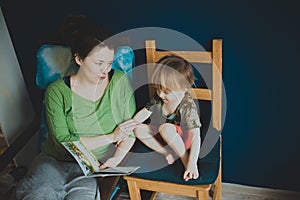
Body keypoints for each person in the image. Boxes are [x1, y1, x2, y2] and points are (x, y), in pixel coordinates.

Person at [16, 15, 138, 200]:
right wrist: (112, 137)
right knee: (38, 194)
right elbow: (65, 142)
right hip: (53, 161)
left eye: (109, 63)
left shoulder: (119, 81)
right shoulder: (56, 91)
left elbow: (130, 129)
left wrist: (116, 159)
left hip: (91, 167)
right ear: (79, 59)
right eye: (98, 63)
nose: (105, 70)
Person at [133, 55, 201, 181]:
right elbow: (145, 112)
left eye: (166, 91)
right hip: (163, 137)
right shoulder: (159, 97)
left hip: (182, 140)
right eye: (158, 89)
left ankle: (184, 160)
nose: (160, 94)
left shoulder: (187, 105)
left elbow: (195, 136)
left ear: (184, 89)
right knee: (138, 129)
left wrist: (192, 163)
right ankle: (167, 153)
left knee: (165, 128)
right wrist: (130, 126)